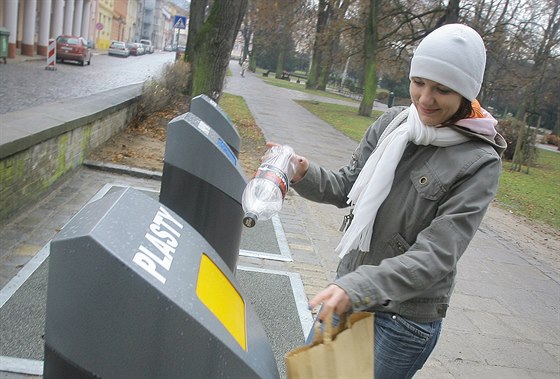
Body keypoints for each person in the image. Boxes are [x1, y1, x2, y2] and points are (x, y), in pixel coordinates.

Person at [284, 24, 507, 378]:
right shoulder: (394, 124)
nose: (424, 99)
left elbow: (435, 256)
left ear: (466, 94)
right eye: (418, 82)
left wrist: (354, 287)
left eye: (442, 90)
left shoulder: (479, 162)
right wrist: (302, 171)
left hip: (400, 320)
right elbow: (347, 185)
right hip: (349, 293)